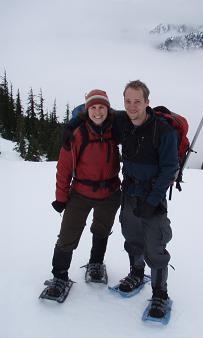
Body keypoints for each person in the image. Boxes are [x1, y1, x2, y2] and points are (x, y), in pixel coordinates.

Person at [64, 80, 179, 319]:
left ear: (147, 102)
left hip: (152, 198)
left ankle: (160, 294)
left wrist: (153, 200)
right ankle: (137, 274)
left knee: (155, 247)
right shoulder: (122, 121)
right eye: (128, 101)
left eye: (138, 101)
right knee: (132, 239)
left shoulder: (163, 131)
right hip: (128, 194)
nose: (132, 106)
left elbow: (169, 168)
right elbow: (90, 111)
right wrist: (73, 123)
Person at [46, 89, 121, 298]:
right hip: (80, 192)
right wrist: (61, 198)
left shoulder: (116, 129)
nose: (98, 112)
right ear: (87, 110)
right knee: (68, 234)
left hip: (110, 192)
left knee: (101, 230)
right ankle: (59, 276)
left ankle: (96, 263)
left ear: (108, 108)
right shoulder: (77, 133)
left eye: (102, 107)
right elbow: (64, 168)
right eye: (93, 108)